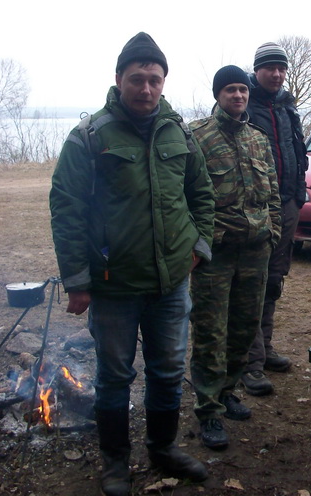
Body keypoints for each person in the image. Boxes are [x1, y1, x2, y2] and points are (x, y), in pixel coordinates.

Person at [50, 32, 215, 495]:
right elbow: (66, 209)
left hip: (171, 282)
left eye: (155, 80)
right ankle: (115, 462)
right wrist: (77, 281)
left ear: (164, 82)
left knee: (168, 369)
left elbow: (202, 194)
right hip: (114, 283)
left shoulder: (180, 132)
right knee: (115, 375)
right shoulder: (89, 136)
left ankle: (163, 448)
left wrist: (199, 247)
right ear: (118, 78)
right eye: (137, 79)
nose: (146, 88)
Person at [188, 65, 281, 449]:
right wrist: (199, 243)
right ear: (218, 95)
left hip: (255, 250)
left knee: (244, 328)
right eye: (230, 90)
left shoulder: (257, 138)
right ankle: (208, 409)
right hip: (217, 253)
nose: (239, 96)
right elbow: (186, 196)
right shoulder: (197, 137)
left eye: (243, 89)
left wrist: (273, 232)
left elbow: (273, 192)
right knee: (211, 332)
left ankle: (227, 392)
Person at [241, 42, 307, 397]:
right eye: (270, 68)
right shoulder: (242, 101)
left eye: (282, 68)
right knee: (252, 283)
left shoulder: (287, 105)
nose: (277, 74)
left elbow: (297, 151)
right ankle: (249, 362)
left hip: (288, 203)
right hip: (256, 209)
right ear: (257, 70)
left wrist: (298, 195)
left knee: (274, 281)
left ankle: (264, 348)